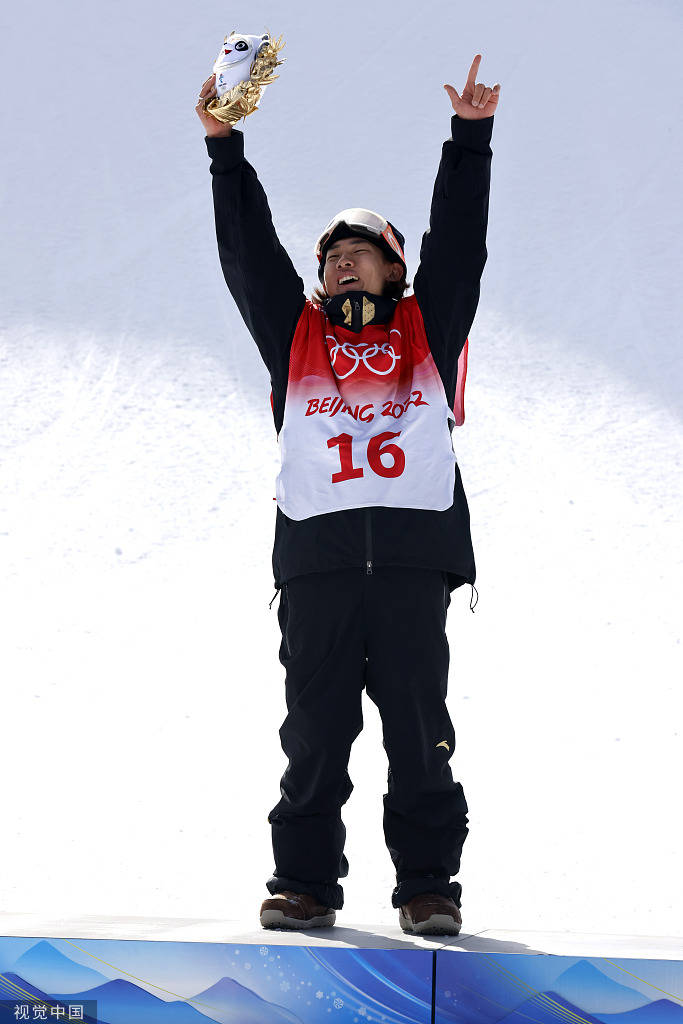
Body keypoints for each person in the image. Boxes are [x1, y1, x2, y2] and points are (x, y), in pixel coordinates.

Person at [196, 54, 499, 935]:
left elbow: (464, 246)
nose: (342, 268)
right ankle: (302, 887)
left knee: (418, 734)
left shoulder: (425, 331)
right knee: (314, 739)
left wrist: (468, 140)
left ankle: (428, 888)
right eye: (332, 259)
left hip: (408, 567)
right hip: (320, 568)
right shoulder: (292, 337)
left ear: (394, 271)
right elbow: (247, 256)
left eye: (360, 255)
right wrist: (225, 148)